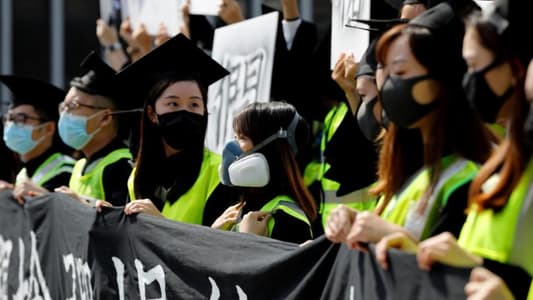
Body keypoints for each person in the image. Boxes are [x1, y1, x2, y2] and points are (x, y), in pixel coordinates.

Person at [325, 3, 494, 248]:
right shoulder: (406, 174)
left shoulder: (466, 181)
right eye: (386, 70)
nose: (387, 86)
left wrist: (393, 239)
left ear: (441, 81)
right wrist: (357, 225)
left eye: (401, 71)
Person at [108, 34, 238, 227]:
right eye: (173, 103)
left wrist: (161, 224)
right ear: (152, 114)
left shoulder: (220, 174)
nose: (184, 112)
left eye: (194, 104)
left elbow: (220, 249)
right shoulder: (137, 177)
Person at [214, 101, 317, 244]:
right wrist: (213, 235)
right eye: (236, 137)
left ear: (271, 150)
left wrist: (249, 242)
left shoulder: (289, 221)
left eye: (242, 138)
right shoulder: (237, 210)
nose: (232, 146)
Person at [55, 52, 133, 206]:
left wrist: (80, 205)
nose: (64, 114)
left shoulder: (122, 166)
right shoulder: (80, 165)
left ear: (105, 118)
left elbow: (121, 225)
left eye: (72, 106)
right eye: (63, 107)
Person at [0, 75, 75, 202]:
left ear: (48, 128)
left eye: (20, 119)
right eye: (8, 119)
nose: (10, 125)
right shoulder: (23, 172)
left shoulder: (65, 170)